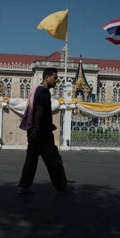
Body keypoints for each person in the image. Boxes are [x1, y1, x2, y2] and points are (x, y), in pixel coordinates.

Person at [18, 68, 76, 196]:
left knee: (31, 160)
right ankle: (61, 186)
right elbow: (39, 109)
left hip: (35, 130)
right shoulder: (44, 92)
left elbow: (39, 111)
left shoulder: (36, 90)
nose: (56, 80)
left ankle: (23, 186)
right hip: (41, 134)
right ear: (47, 77)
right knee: (53, 159)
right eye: (54, 78)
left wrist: (47, 124)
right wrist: (39, 128)